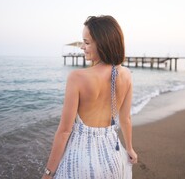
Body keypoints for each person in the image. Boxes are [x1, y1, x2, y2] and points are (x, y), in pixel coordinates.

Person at [41, 15, 137, 179]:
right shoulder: (126, 74)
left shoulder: (77, 77)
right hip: (113, 157)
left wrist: (48, 173)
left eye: (86, 42)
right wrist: (129, 148)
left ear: (103, 43)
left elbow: (64, 131)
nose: (82, 47)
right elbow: (125, 118)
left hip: (80, 159)